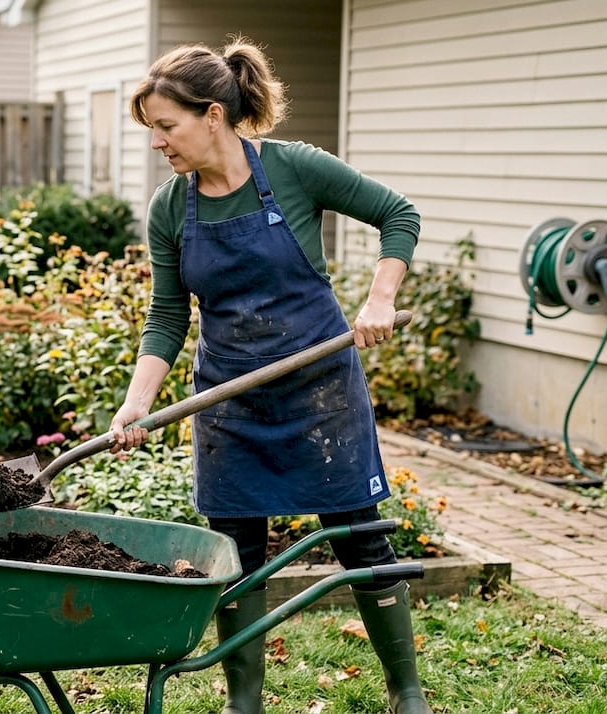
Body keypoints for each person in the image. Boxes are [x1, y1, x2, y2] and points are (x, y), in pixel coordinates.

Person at [111, 36, 432, 714]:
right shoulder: (171, 207)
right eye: (152, 131)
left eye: (166, 127)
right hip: (230, 398)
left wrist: (379, 299)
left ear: (213, 115)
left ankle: (406, 693)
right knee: (237, 551)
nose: (157, 144)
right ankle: (244, 702)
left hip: (321, 389)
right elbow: (167, 316)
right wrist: (136, 403)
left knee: (360, 537)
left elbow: (397, 214)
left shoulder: (294, 169)